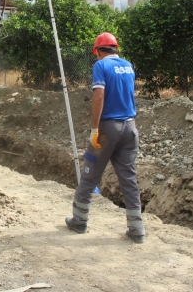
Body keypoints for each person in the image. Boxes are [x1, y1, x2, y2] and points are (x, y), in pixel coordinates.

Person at [64, 32, 145, 244]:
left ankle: (79, 220)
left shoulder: (101, 66)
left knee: (90, 172)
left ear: (98, 51)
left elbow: (99, 96)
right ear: (115, 49)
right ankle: (137, 230)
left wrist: (94, 129)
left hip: (109, 128)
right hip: (130, 128)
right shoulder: (128, 65)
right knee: (128, 178)